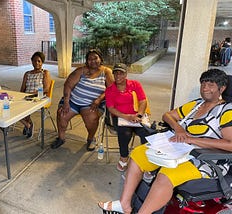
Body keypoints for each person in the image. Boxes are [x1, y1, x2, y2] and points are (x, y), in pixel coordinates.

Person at [98, 68, 232, 214]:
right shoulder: (197, 105)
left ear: (222, 88)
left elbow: (229, 144)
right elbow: (167, 115)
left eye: (211, 84)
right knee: (138, 154)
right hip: (180, 149)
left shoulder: (226, 111)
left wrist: (192, 139)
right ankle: (125, 204)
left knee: (166, 175)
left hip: (205, 158)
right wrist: (178, 128)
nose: (205, 88)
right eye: (203, 83)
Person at [50, 49, 114, 151]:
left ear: (100, 59)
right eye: (89, 59)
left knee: (92, 118)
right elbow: (68, 85)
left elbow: (111, 90)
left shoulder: (106, 72)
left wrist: (98, 99)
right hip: (73, 101)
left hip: (92, 104)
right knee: (62, 114)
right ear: (86, 61)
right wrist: (66, 102)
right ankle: (61, 138)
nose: (92, 61)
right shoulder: (81, 70)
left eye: (95, 58)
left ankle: (90, 139)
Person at [105, 63, 149, 172]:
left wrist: (139, 115)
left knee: (147, 133)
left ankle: (146, 160)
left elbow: (143, 101)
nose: (118, 76)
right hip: (120, 117)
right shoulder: (110, 90)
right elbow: (111, 108)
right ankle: (124, 157)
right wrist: (127, 116)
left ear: (126, 74)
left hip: (137, 116)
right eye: (116, 73)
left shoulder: (135, 85)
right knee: (125, 133)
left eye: (121, 73)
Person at [19, 51, 52, 138]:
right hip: (27, 97)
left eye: (39, 61)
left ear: (42, 62)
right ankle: (28, 125)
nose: (36, 63)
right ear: (32, 61)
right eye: (34, 61)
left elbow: (46, 89)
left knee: (24, 108)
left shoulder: (45, 73)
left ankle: (27, 124)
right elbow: (22, 89)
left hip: (39, 97)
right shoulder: (27, 74)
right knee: (13, 108)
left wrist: (31, 94)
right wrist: (20, 96)